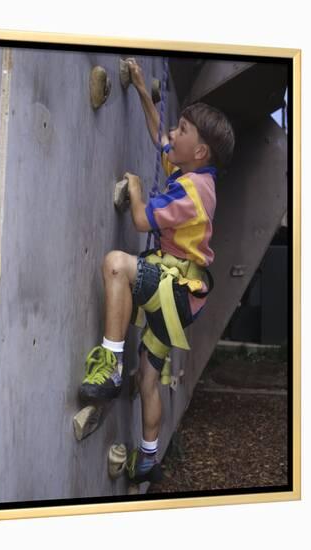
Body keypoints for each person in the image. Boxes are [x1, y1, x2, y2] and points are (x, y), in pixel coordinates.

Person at [79, 57, 235, 484]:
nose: (173, 134)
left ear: (200, 150)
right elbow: (158, 138)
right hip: (184, 295)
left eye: (183, 131)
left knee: (116, 265)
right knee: (149, 379)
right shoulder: (193, 172)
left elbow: (143, 220)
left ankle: (109, 365)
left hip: (176, 288)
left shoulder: (193, 191)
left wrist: (133, 187)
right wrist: (145, 95)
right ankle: (148, 458)